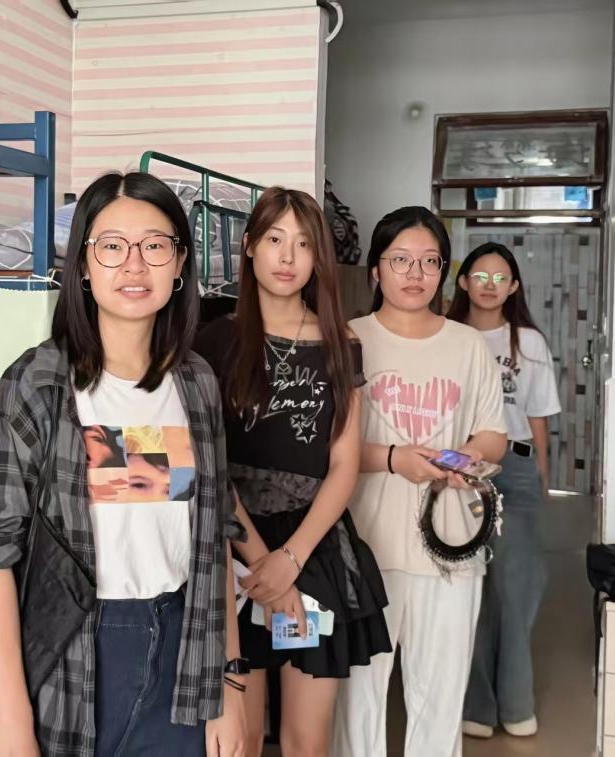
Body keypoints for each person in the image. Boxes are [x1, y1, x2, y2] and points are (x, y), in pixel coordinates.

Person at [0, 172, 247, 757]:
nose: (134, 264)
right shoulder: (38, 383)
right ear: (84, 264)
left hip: (184, 648)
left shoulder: (196, 383)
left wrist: (229, 684)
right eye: (112, 246)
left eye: (155, 245)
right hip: (75, 656)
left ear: (180, 264)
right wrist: (12, 723)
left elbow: (214, 541)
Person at [195, 186, 391, 757]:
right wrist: (262, 561)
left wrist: (291, 560)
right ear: (249, 246)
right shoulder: (213, 340)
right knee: (240, 739)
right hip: (234, 546)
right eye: (275, 240)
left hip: (314, 546)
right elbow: (207, 467)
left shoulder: (341, 341)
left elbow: (344, 465)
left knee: (308, 742)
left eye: (304, 244)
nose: (287, 257)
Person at [332, 207, 507, 757]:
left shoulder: (468, 345)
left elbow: (494, 436)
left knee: (439, 696)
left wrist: (464, 457)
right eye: (401, 260)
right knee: (357, 697)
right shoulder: (346, 339)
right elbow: (321, 449)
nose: (416, 273)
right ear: (376, 269)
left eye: (430, 261)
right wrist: (392, 459)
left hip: (449, 544)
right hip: (364, 544)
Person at [448, 241, 562, 739]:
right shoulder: (446, 335)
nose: (490, 285)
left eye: (501, 278)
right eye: (481, 276)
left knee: (516, 585)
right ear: (463, 281)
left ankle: (516, 702)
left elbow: (537, 419)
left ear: (514, 286)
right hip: (458, 468)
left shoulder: (529, 343)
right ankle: (477, 705)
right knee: (468, 584)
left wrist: (541, 476)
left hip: (514, 468)